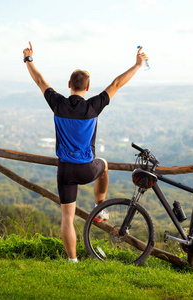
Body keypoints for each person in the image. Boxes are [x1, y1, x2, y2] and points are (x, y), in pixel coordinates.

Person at [22, 41, 148, 262]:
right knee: (105, 164)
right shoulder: (93, 106)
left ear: (69, 84)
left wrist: (28, 59)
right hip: (87, 170)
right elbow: (117, 83)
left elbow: (40, 81)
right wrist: (137, 65)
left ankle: (72, 260)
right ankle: (100, 208)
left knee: (67, 218)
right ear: (87, 88)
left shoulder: (58, 103)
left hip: (65, 172)